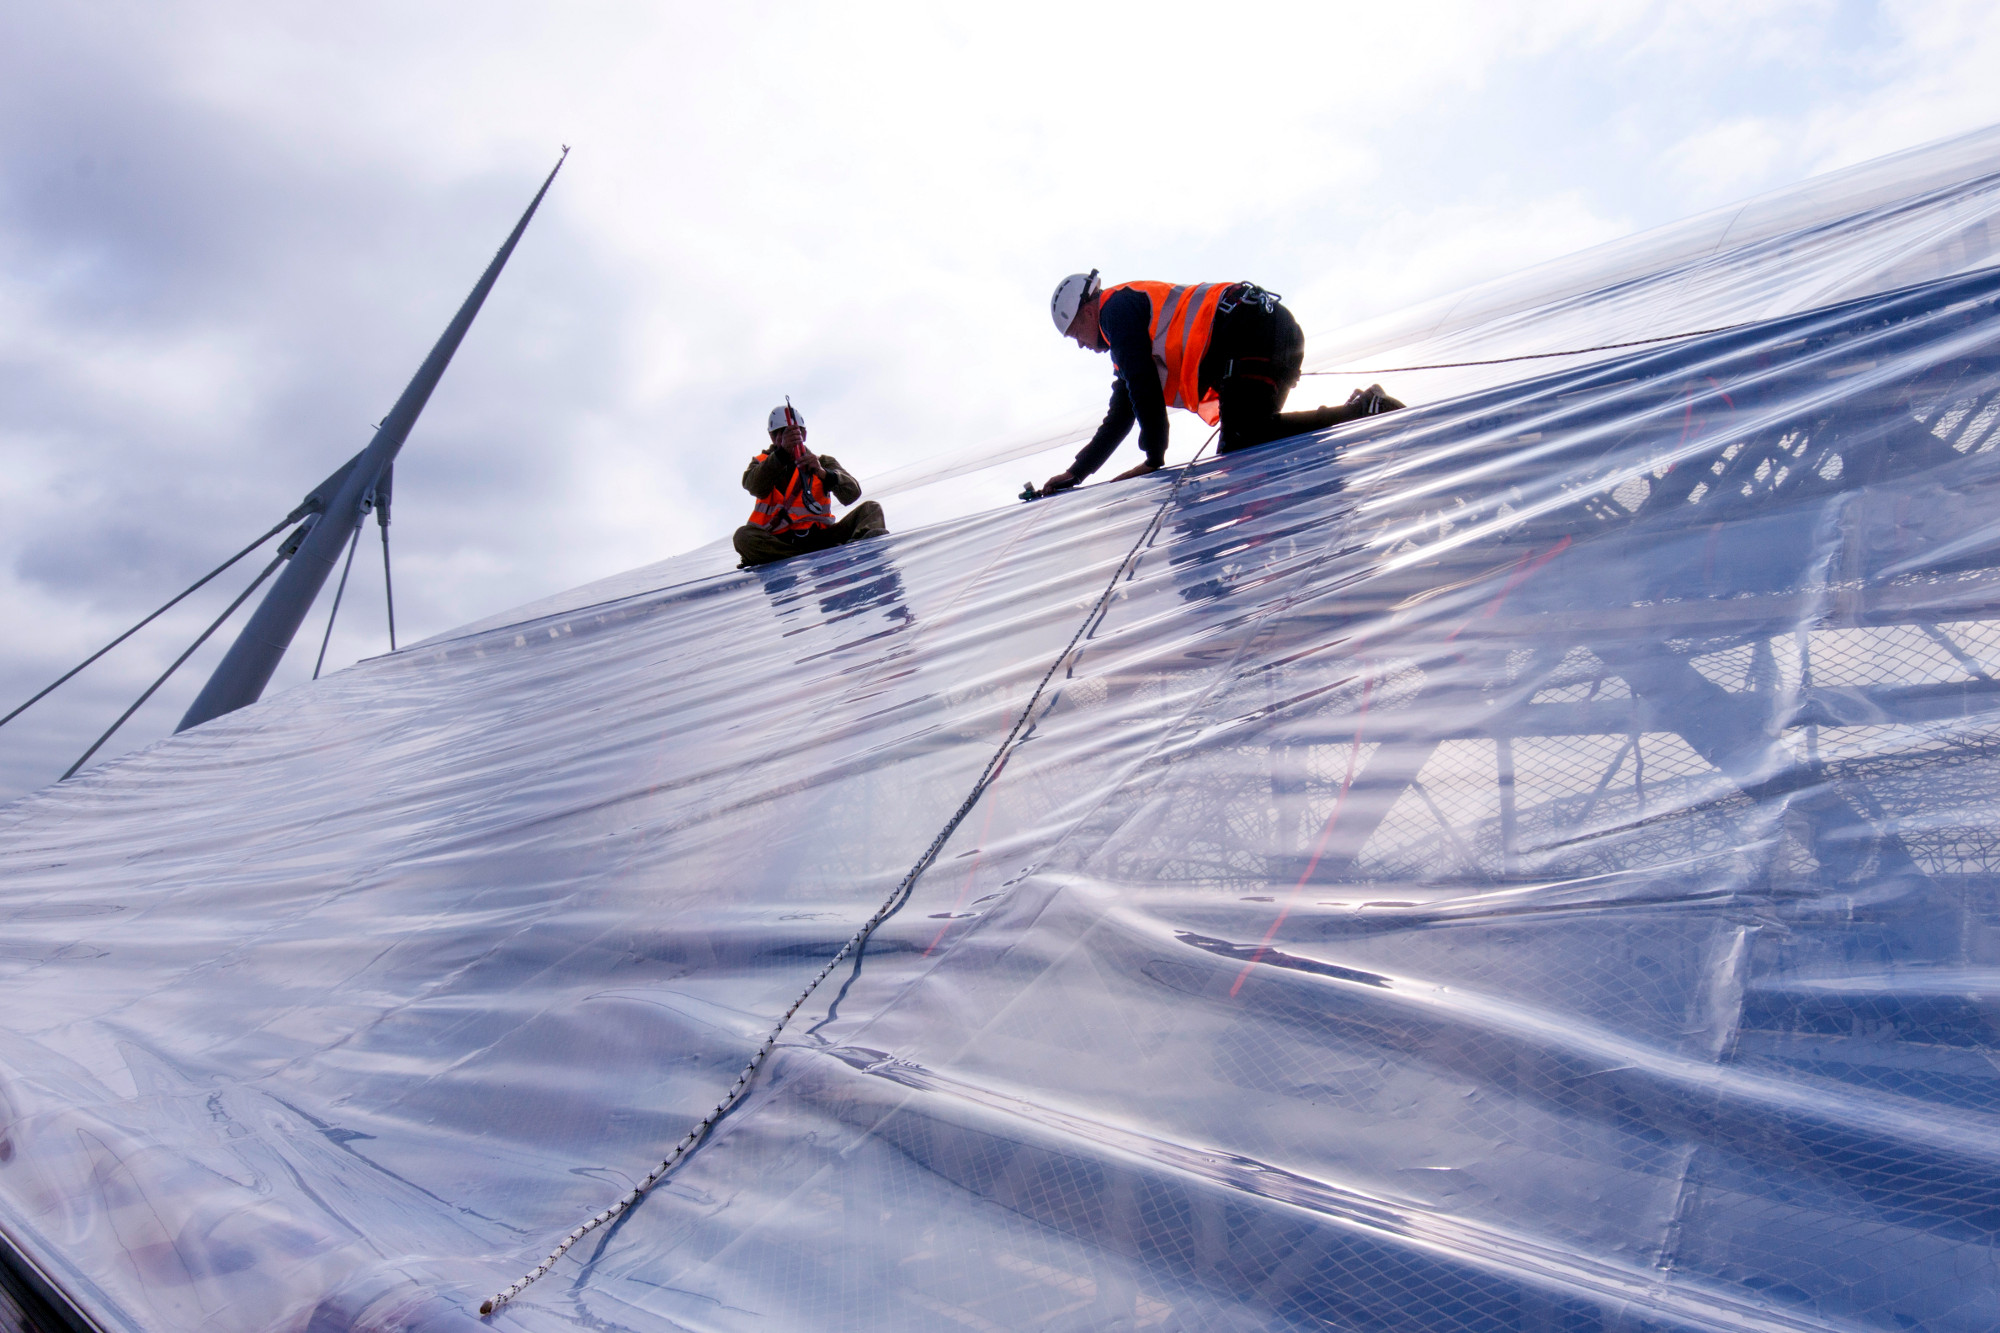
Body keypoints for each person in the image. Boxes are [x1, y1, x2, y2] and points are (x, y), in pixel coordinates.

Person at [1040, 272, 1405, 495]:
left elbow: (1143, 387)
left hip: (1249, 331)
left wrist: (1154, 458)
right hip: (1263, 334)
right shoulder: (1124, 341)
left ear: (1087, 312)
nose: (1082, 345)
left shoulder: (1115, 310)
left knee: (1245, 438)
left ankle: (1362, 411)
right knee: (1245, 455)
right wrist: (1076, 473)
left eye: (1076, 334)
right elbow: (1121, 416)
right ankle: (1329, 479)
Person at [733, 404, 888, 567]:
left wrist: (823, 473)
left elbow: (852, 493)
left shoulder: (823, 462)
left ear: (804, 434)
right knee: (743, 537)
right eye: (782, 434)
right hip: (781, 542)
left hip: (822, 536)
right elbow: (754, 486)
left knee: (871, 509)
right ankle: (806, 558)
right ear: (772, 438)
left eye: (793, 433)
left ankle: (865, 553)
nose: (788, 439)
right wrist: (781, 455)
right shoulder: (762, 463)